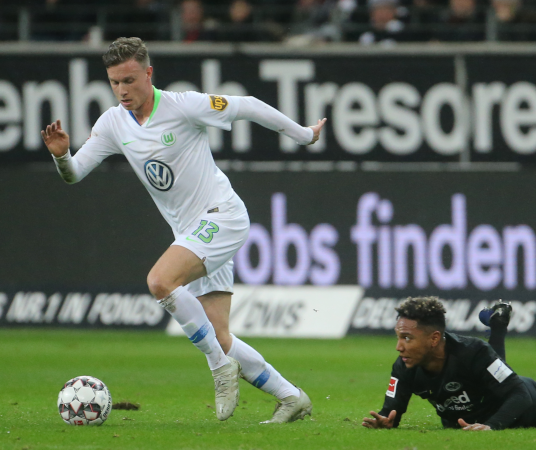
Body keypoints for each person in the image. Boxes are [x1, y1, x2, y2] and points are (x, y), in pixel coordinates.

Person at [41, 37, 326, 424]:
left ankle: (219, 369)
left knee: (160, 281)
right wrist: (61, 156)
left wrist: (303, 135)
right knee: (220, 335)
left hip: (222, 216)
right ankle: (292, 397)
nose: (123, 90)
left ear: (148, 74)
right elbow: (74, 175)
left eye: (129, 80)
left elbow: (248, 106)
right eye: (114, 82)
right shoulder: (111, 123)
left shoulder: (181, 106)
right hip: (190, 233)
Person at [362, 297, 536, 431]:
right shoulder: (405, 365)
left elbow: (519, 394)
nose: (399, 346)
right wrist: (386, 422)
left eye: (407, 338)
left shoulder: (472, 351)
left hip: (533, 406)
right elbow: (392, 413)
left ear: (434, 338)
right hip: (490, 397)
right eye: (398, 337)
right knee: (491, 374)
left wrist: (492, 426)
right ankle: (497, 325)